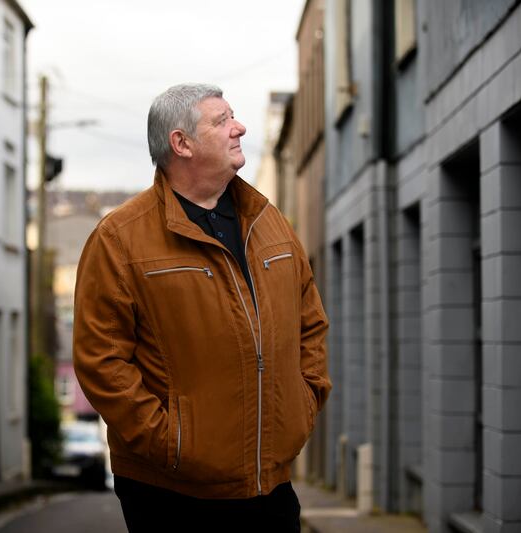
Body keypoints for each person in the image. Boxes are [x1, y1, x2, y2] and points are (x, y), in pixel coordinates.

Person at [73, 83, 331, 532]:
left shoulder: (271, 225)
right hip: (170, 493)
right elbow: (101, 361)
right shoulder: (119, 239)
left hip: (269, 485)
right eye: (222, 120)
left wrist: (301, 408)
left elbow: (311, 326)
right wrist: (171, 443)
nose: (240, 127)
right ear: (182, 143)